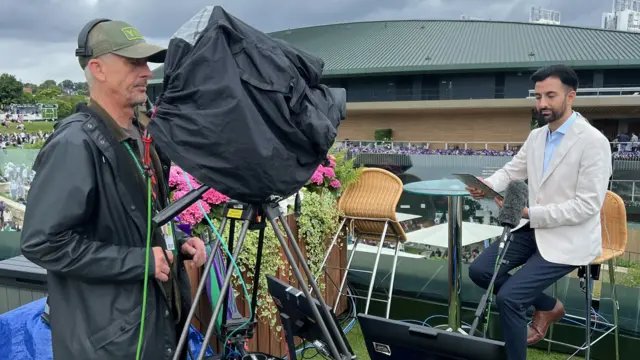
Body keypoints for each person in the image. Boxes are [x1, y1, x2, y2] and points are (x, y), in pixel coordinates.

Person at [21, 19, 207, 360]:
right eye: (133, 62)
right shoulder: (74, 144)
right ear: (98, 69)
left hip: (156, 331)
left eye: (147, 62)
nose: (146, 72)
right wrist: (141, 262)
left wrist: (177, 245)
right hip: (109, 345)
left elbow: (134, 224)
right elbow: (42, 243)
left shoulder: (140, 135)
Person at [465, 64, 611, 360]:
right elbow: (512, 170)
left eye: (550, 96)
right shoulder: (537, 137)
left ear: (571, 96)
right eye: (538, 96)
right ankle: (548, 305)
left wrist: (529, 212)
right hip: (533, 229)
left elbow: (587, 206)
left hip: (569, 236)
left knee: (510, 297)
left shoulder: (594, 142)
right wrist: (487, 185)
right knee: (480, 271)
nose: (542, 103)